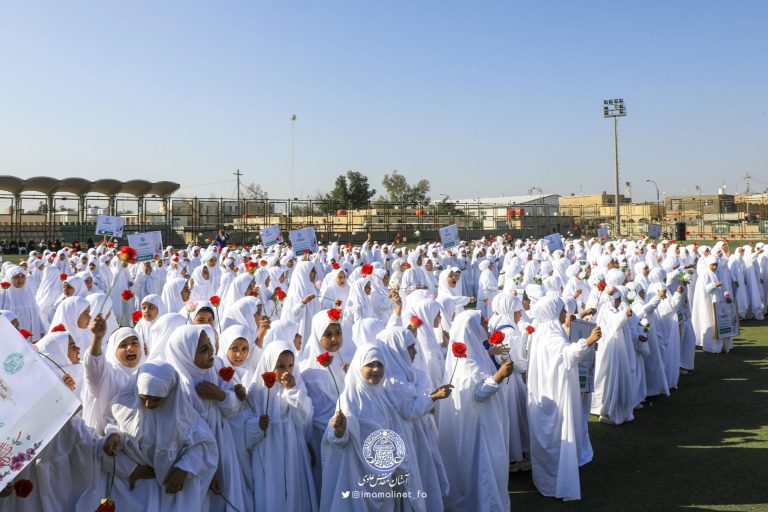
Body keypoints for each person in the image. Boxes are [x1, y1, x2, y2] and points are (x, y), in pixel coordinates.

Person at [93, 362, 219, 511]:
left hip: (169, 490)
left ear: (170, 393)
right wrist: (114, 436)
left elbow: (204, 445)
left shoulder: (183, 417)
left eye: (156, 399)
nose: (148, 404)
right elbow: (112, 422)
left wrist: (183, 469)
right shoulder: (125, 406)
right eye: (143, 397)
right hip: (131, 487)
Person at [437, 310, 514, 511]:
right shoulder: (465, 362)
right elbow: (478, 393)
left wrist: (491, 353)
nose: (486, 324)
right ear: (471, 329)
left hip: (485, 420)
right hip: (480, 425)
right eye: (481, 322)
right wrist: (499, 375)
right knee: (484, 466)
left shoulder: (473, 352)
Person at [527, 295, 601, 501]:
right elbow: (567, 356)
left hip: (547, 388)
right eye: (561, 309)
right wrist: (588, 341)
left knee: (548, 436)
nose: (564, 314)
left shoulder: (544, 331)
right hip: (555, 392)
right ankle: (554, 482)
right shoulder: (551, 334)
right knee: (556, 435)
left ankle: (548, 479)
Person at [245, 341, 317, 512]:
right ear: (270, 365)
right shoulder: (256, 390)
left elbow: (305, 419)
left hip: (293, 450)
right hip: (268, 451)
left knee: (294, 491)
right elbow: (244, 426)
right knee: (271, 493)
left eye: (290, 365)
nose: (286, 371)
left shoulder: (297, 386)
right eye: (280, 366)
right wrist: (257, 425)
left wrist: (292, 391)